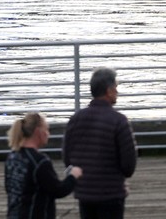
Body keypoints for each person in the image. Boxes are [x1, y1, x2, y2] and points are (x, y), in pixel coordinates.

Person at [62, 68, 137, 219]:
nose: (117, 91)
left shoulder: (75, 119)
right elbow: (128, 165)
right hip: (111, 193)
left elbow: (66, 158)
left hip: (84, 193)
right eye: (116, 87)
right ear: (109, 91)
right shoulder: (119, 121)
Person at [5, 111, 83, 219]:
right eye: (46, 129)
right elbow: (58, 190)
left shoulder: (12, 157)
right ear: (38, 131)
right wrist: (73, 176)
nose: (48, 134)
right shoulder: (39, 161)